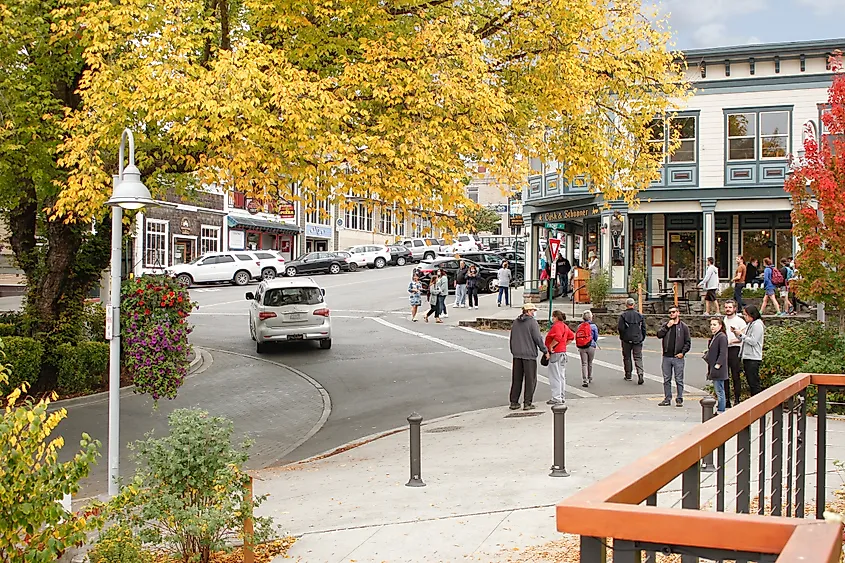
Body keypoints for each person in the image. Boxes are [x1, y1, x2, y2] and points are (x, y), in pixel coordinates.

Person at [509, 303, 549, 411]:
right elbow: (537, 338)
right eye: (532, 310)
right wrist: (545, 350)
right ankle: (527, 403)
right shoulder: (532, 322)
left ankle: (514, 401)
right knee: (530, 379)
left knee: (516, 379)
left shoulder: (516, 322)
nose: (534, 312)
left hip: (517, 354)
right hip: (529, 354)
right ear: (528, 311)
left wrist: (513, 350)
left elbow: (512, 337)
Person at [656, 306, 691, 407]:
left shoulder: (683, 327)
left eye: (673, 312)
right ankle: (667, 398)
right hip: (666, 357)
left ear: (678, 313)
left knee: (679, 379)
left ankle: (679, 398)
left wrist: (682, 353)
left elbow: (687, 342)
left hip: (677, 357)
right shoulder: (666, 325)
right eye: (670, 312)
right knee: (666, 379)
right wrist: (667, 327)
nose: (672, 314)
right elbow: (659, 335)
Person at [544, 310, 575, 405]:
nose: (552, 318)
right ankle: (561, 395)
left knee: (554, 376)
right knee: (561, 376)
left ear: (556, 317)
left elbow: (557, 337)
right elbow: (571, 336)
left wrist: (551, 346)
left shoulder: (556, 326)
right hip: (562, 352)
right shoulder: (565, 326)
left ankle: (556, 397)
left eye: (553, 317)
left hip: (555, 353)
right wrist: (564, 344)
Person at [733, 305, 764, 397]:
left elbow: (753, 341)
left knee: (754, 382)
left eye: (746, 315)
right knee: (750, 382)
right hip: (747, 356)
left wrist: (741, 335)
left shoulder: (757, 325)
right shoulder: (750, 324)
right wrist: (736, 333)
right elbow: (743, 338)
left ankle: (757, 401)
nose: (745, 317)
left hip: (753, 357)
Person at [723, 300, 747, 407]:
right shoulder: (724, 320)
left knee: (735, 375)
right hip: (725, 349)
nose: (728, 309)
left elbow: (743, 336)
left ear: (734, 309)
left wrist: (732, 341)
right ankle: (727, 399)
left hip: (735, 349)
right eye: (726, 307)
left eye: (730, 307)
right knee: (725, 376)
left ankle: (737, 399)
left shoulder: (740, 321)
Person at [618, 297, 646, 384]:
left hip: (627, 339)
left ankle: (628, 374)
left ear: (626, 305)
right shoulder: (639, 315)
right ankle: (640, 373)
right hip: (637, 339)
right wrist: (642, 337)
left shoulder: (623, 316)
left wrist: (622, 337)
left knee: (627, 357)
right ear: (633, 304)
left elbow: (620, 328)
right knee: (638, 357)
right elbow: (643, 328)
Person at [705, 317, 729, 414]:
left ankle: (721, 409)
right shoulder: (715, 336)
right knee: (718, 389)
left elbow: (723, 353)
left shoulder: (722, 337)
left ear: (720, 326)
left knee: (720, 390)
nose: (712, 327)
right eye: (711, 325)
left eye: (714, 325)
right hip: (713, 366)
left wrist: (717, 365)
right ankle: (720, 407)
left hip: (718, 368)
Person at [575, 310, 599, 387]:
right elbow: (596, 337)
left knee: (584, 363)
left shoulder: (580, 326)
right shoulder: (594, 326)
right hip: (591, 345)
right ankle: (590, 377)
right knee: (590, 362)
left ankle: (585, 380)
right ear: (590, 317)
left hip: (582, 346)